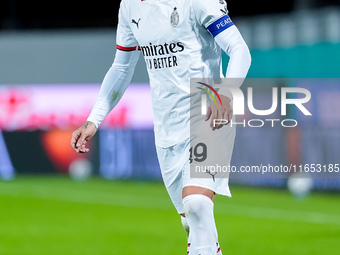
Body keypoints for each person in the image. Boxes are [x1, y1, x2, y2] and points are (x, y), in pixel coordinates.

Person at [71, 0, 251, 254]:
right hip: (167, 130)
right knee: (192, 221)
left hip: (207, 118)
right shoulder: (130, 7)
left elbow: (239, 48)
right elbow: (122, 67)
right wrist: (94, 119)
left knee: (197, 204)